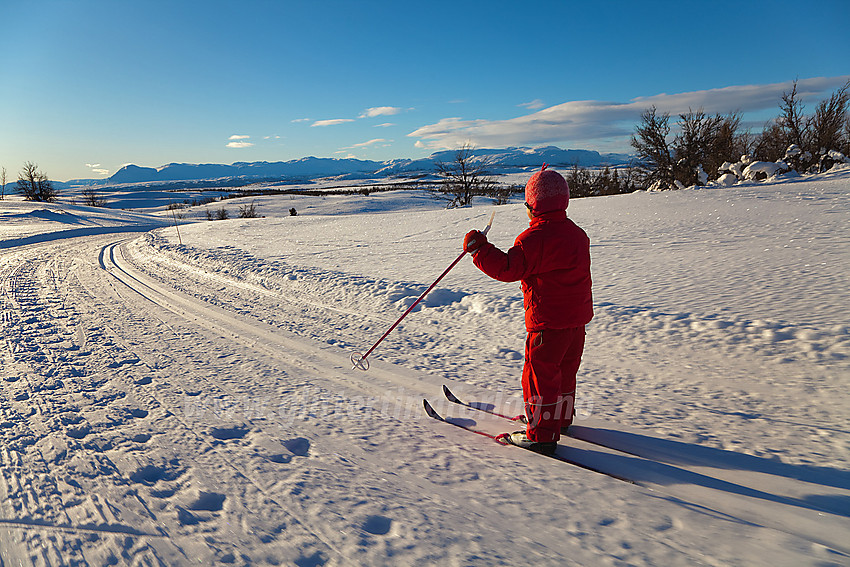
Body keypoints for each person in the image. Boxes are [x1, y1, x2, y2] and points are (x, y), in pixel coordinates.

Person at [463, 164, 593, 455]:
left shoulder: (533, 239)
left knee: (540, 377)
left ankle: (541, 435)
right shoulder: (577, 235)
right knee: (564, 372)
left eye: (527, 203)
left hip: (548, 323)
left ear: (533, 205)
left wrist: (479, 249)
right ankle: (557, 420)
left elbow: (508, 268)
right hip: (576, 323)